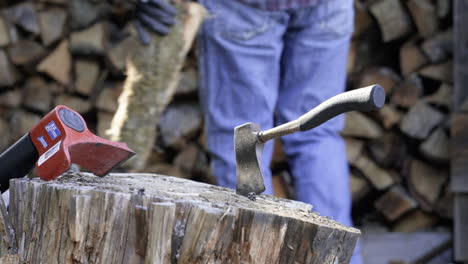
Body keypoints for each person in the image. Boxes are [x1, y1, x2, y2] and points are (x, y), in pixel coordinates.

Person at [134, 0, 361, 263]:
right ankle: (344, 260)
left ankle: (259, 258)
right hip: (327, 6)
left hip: (244, 8)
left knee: (243, 140)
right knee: (318, 136)